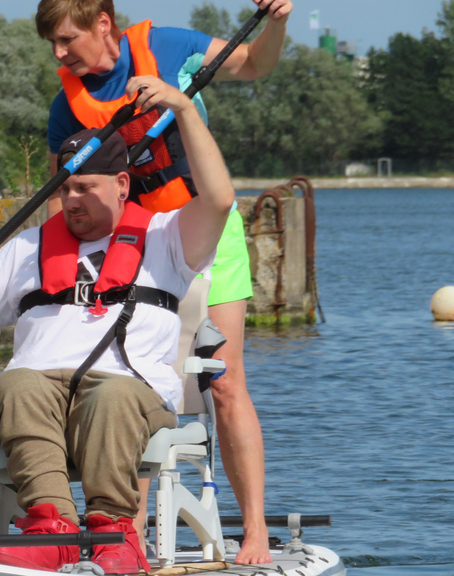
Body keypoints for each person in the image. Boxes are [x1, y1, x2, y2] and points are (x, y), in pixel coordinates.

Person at [0, 77, 233, 574]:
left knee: (111, 395)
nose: (73, 199)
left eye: (86, 187)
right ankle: (51, 529)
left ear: (122, 185)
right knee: (14, 384)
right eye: (66, 188)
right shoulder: (25, 248)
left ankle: (112, 533)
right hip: (38, 395)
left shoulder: (166, 238)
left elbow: (217, 200)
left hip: (128, 394)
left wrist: (184, 110)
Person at [36, 0, 293, 564]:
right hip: (140, 248)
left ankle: (252, 530)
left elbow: (253, 64)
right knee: (135, 383)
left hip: (208, 230)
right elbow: (69, 201)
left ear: (102, 24)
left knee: (223, 383)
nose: (58, 55)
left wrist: (276, 23)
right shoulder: (67, 108)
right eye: (52, 44)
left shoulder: (168, 48)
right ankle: (126, 539)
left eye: (65, 40)